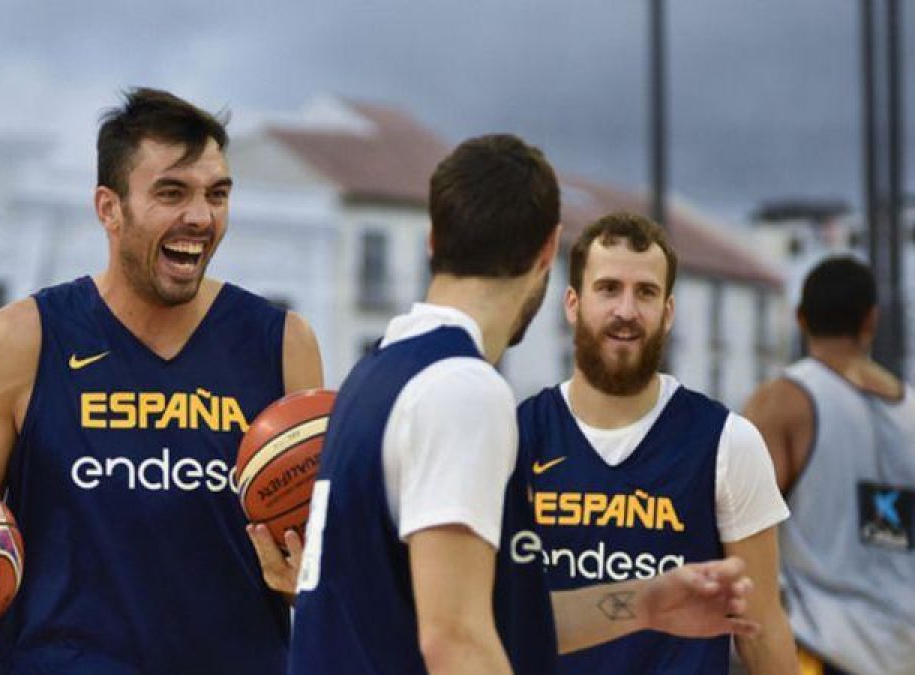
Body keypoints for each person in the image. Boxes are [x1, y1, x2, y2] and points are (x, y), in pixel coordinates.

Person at [0, 87, 323, 674]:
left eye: (217, 194)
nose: (200, 217)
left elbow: (311, 560)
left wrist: (306, 582)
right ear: (109, 207)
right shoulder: (15, 341)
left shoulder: (281, 343)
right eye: (171, 193)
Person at [286, 135, 759, 675]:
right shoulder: (460, 387)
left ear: (433, 239)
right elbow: (457, 641)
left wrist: (646, 603)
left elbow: (491, 618)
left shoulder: (379, 372)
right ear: (549, 250)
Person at [516, 212, 798, 674]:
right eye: (608, 289)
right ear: (572, 303)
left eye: (645, 293)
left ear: (667, 313)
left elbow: (763, 627)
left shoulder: (728, 441)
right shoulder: (519, 437)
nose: (626, 310)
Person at [743, 256, 915, 675]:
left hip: (819, 649)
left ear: (800, 318)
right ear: (870, 320)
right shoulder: (911, 408)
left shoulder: (785, 401)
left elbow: (737, 527)